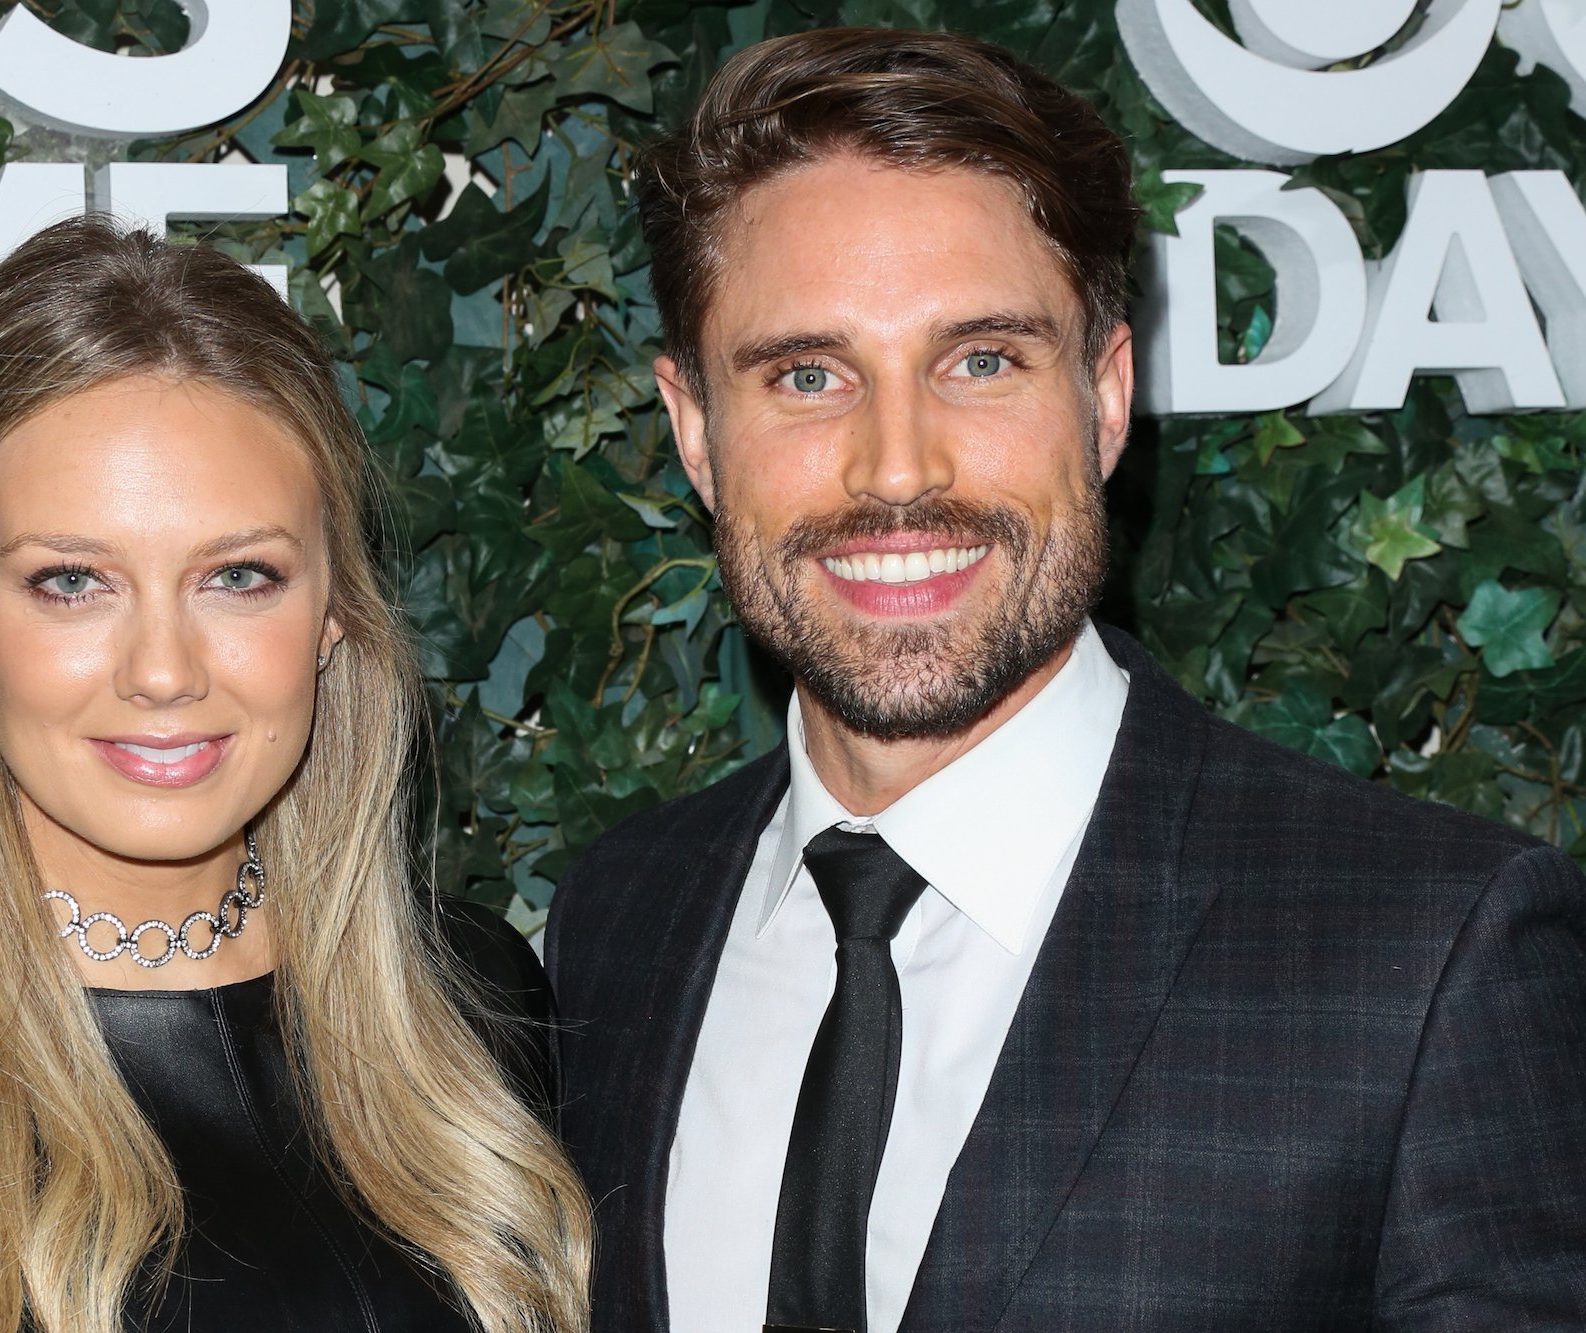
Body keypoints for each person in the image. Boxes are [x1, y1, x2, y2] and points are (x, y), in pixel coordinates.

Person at [543, 26, 1586, 1333]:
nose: (900, 469)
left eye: (981, 361)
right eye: (809, 377)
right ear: (696, 432)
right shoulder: (616, 923)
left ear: (1104, 397)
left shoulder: (1435, 957)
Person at [0, 217, 592, 1333]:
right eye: (71, 582)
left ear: (333, 607)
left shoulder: (473, 1002)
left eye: (239, 575)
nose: (161, 670)